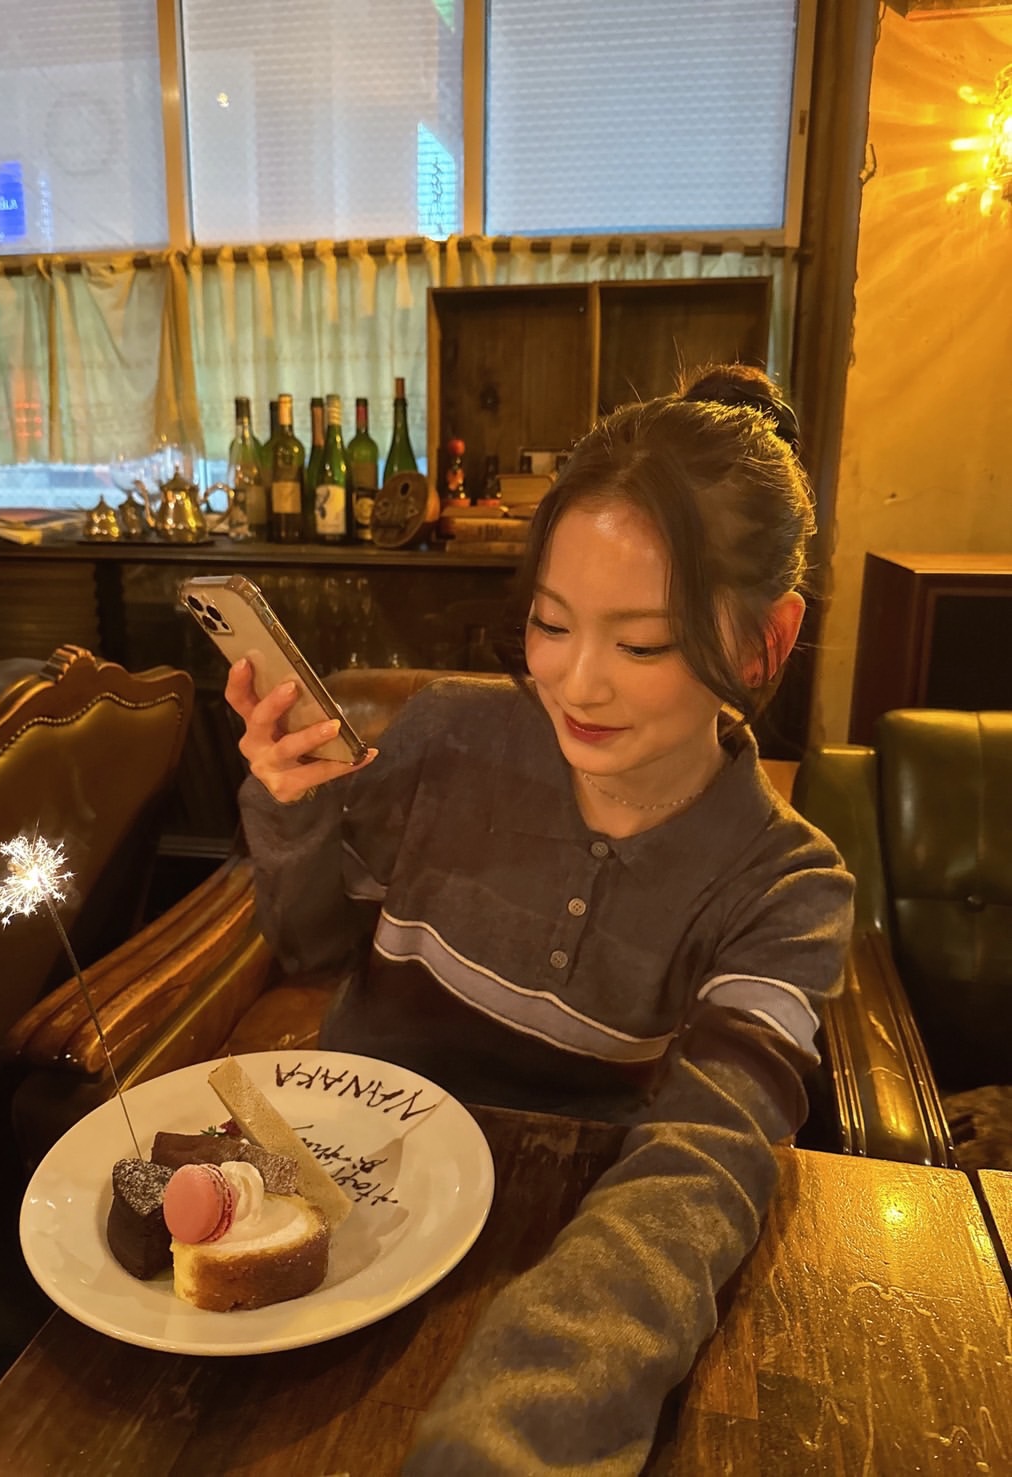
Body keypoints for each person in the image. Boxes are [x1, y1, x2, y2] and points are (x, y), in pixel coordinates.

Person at [225, 364, 854, 1475]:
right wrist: (292, 806)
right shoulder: (447, 737)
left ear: (767, 640)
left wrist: (507, 1436)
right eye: (551, 623)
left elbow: (698, 1170)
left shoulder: (787, 888)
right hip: (337, 1212)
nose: (576, 681)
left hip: (561, 1258)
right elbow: (311, 946)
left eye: (643, 643)